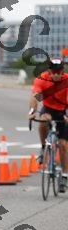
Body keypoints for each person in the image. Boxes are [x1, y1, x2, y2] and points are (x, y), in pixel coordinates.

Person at [28, 56, 68, 192]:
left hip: (63, 111)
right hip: (48, 109)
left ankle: (64, 175)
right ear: (49, 71)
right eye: (53, 72)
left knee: (63, 145)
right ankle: (43, 147)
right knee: (43, 120)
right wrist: (32, 111)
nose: (56, 74)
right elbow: (36, 97)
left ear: (63, 71)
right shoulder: (42, 79)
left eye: (59, 72)